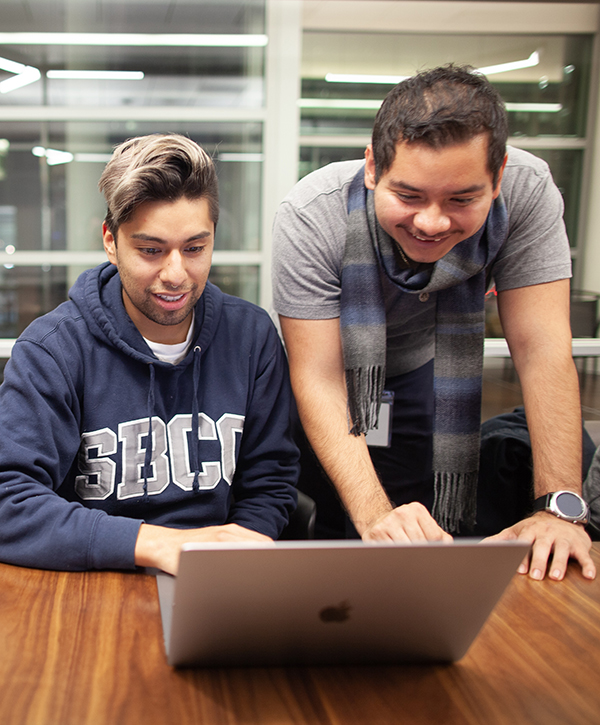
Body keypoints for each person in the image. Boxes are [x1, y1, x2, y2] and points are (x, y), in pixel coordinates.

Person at [272, 64, 596, 582]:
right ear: (372, 167)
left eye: (462, 199)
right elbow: (319, 377)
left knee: (422, 520)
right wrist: (373, 517)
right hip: (332, 373)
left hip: (422, 369)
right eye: (409, 196)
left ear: (498, 176)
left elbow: (542, 350)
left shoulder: (527, 192)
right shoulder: (313, 214)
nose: (431, 222)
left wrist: (558, 510)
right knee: (347, 523)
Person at [0, 133, 298, 575]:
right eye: (151, 250)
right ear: (110, 241)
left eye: (194, 248)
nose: (176, 274)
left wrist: (236, 554)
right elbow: (8, 501)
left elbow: (271, 482)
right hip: (91, 577)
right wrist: (157, 544)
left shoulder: (251, 337)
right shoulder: (53, 349)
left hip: (214, 578)